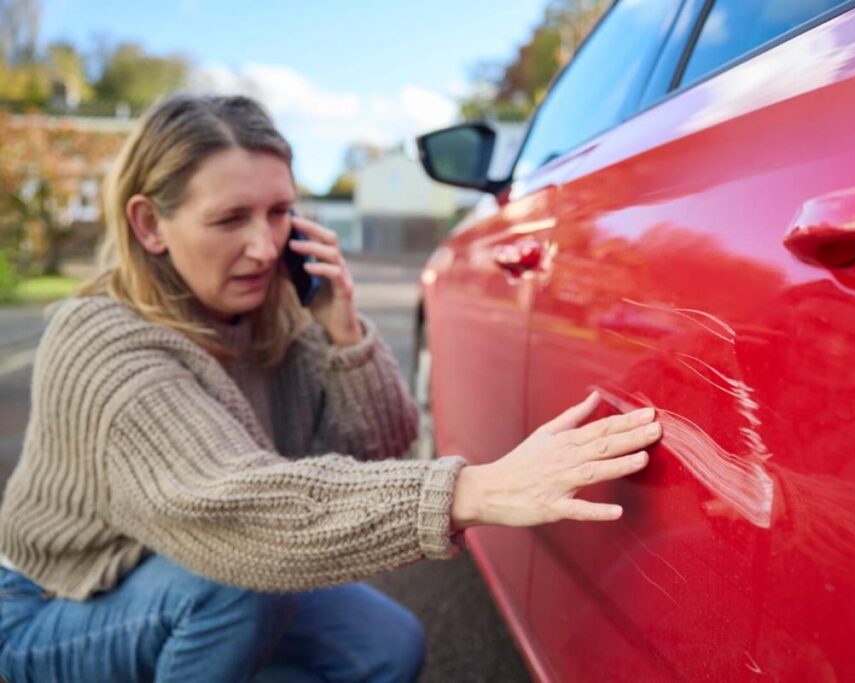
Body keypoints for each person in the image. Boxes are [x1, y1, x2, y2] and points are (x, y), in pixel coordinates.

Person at [0, 94, 661, 682]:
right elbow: (233, 510)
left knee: (386, 644)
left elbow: (372, 452)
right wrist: (475, 490)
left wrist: (343, 330)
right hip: (55, 606)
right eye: (231, 219)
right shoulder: (99, 341)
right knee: (235, 591)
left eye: (280, 212)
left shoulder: (274, 316)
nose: (265, 247)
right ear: (149, 226)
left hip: (176, 582)